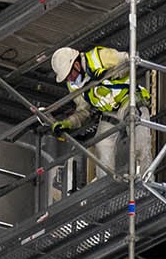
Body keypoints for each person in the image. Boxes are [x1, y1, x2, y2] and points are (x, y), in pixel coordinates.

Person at [50, 45, 154, 182]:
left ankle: (145, 181)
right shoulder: (74, 85)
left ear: (76, 65)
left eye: (70, 75)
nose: (69, 80)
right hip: (109, 113)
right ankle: (106, 188)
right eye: (66, 78)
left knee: (140, 143)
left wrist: (109, 73)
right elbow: (83, 111)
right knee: (102, 144)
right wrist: (67, 123)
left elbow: (129, 61)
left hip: (129, 101)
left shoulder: (98, 57)